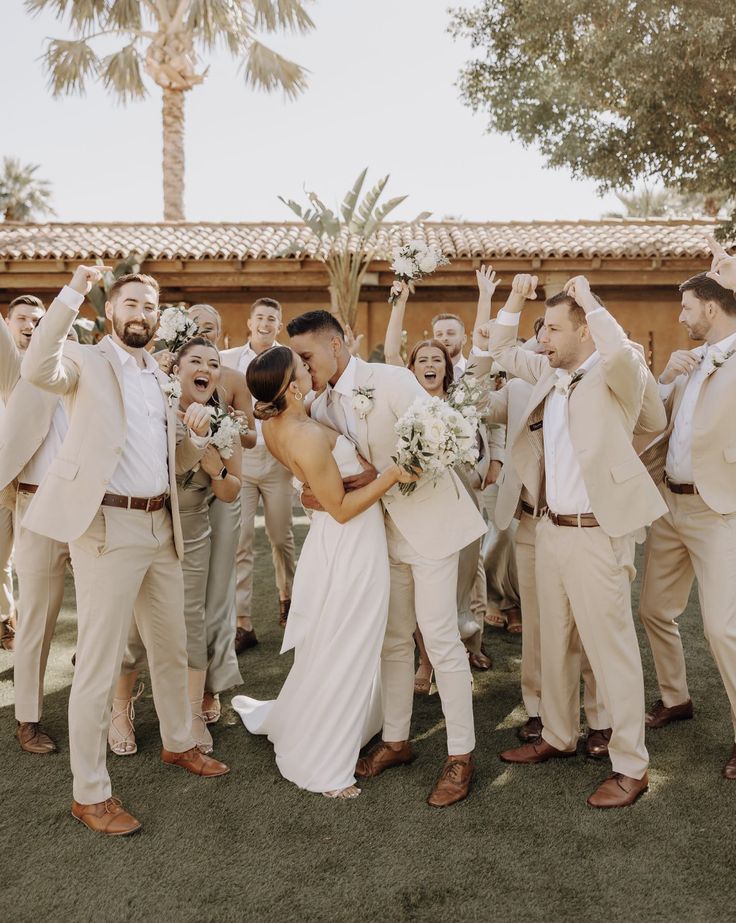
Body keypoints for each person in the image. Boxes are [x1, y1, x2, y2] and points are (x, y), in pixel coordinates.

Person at [21, 266, 230, 836]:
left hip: (162, 525)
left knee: (171, 647)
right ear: (111, 311)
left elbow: (166, 455)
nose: (141, 313)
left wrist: (197, 438)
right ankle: (90, 794)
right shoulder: (87, 361)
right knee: (98, 661)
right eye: (131, 303)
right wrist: (71, 292)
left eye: (150, 306)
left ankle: (179, 742)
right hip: (107, 527)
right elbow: (37, 365)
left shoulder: (159, 374)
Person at [290, 310, 487, 808]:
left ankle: (460, 754)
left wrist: (384, 475)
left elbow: (443, 439)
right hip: (377, 537)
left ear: (336, 347)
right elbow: (320, 470)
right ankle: (397, 741)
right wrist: (312, 493)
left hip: (433, 527)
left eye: (307, 356)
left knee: (439, 638)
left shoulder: (392, 380)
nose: (303, 366)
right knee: (393, 640)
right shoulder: (315, 405)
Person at [488, 273, 667, 809]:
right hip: (549, 529)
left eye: (555, 329)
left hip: (597, 533)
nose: (542, 338)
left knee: (610, 652)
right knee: (554, 641)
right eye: (541, 330)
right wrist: (516, 300)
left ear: (585, 330)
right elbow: (499, 348)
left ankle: (631, 766)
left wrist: (588, 298)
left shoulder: (617, 369)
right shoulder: (550, 369)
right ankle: (558, 735)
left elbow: (621, 355)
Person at [232, 345, 416, 798]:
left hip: (331, 543)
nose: (311, 370)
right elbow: (341, 508)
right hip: (351, 543)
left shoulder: (277, 423)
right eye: (303, 368)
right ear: (291, 386)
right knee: (349, 644)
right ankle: (324, 761)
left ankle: (342, 721)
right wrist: (392, 474)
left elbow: (318, 490)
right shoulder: (306, 434)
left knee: (336, 640)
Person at [113, 336, 242, 756]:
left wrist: (215, 467)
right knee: (132, 627)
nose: (206, 369)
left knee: (192, 621)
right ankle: (120, 709)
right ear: (177, 369)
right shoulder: (154, 409)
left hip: (193, 530)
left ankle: (189, 711)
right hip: (144, 524)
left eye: (214, 364)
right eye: (197, 361)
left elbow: (230, 491)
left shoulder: (227, 425)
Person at [638, 272, 736, 779]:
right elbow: (653, 421)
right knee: (654, 608)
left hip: (718, 510)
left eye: (686, 308)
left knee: (722, 628)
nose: (680, 317)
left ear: (712, 309)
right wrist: (664, 377)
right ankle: (676, 698)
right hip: (669, 507)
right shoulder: (688, 362)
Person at [0, 299, 76, 754]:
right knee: (36, 620)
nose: (37, 330)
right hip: (35, 509)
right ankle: (28, 718)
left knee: (110, 615)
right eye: (28, 324)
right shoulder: (19, 375)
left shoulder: (81, 376)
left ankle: (105, 703)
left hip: (90, 508)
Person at [220, 298, 296, 649]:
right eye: (260, 317)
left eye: (272, 319)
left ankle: (289, 598)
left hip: (279, 460)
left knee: (281, 538)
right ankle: (243, 622)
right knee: (241, 542)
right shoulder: (227, 360)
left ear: (279, 326)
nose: (266, 323)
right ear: (250, 322)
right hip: (243, 462)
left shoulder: (290, 361)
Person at [0, 295, 45, 651]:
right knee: (0, 558)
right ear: (8, 323)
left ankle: (31, 630)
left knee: (36, 564)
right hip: (2, 480)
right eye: (23, 320)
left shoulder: (47, 367)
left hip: (37, 481)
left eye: (36, 320)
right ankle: (6, 619)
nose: (30, 326)